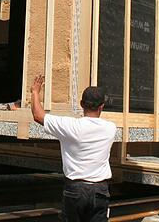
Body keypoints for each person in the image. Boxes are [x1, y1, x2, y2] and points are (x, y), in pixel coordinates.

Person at [30, 75, 116, 222]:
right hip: (100, 191)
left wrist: (35, 92)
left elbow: (38, 116)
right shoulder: (110, 128)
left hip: (76, 190)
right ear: (102, 106)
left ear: (82, 104)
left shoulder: (71, 127)